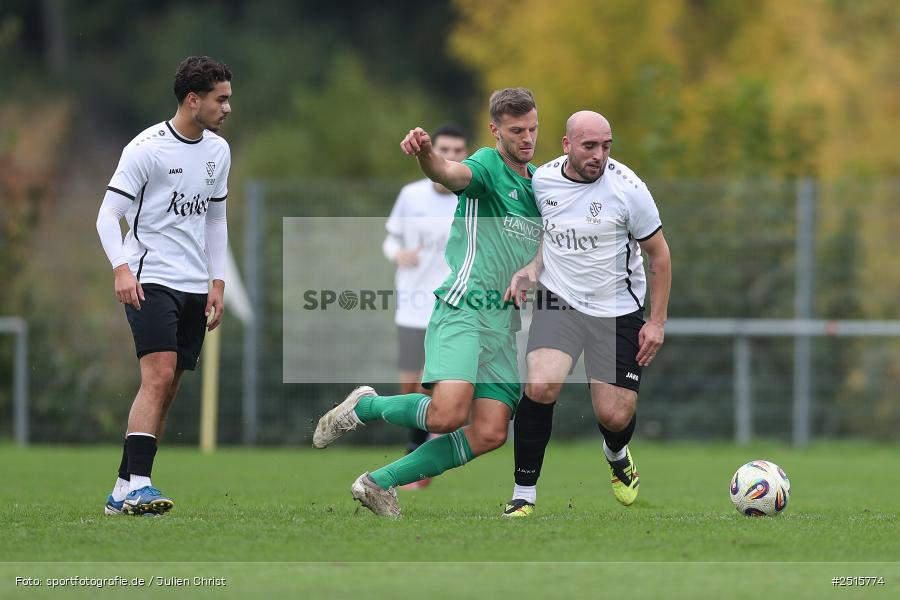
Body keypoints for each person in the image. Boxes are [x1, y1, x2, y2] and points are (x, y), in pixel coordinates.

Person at [313, 88, 542, 517]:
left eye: (532, 129)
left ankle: (377, 482)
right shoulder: (488, 166)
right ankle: (365, 406)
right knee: (446, 416)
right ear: (495, 130)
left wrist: (534, 266)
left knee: (491, 432)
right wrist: (425, 156)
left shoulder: (541, 184)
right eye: (516, 130)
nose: (527, 138)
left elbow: (550, 243)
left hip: (505, 322)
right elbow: (448, 173)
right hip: (465, 308)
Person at [500, 111, 671, 517]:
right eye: (590, 146)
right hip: (560, 300)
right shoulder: (542, 180)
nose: (599, 155)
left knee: (614, 414)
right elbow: (546, 234)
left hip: (617, 309)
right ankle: (523, 494)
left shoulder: (629, 189)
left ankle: (616, 453)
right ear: (567, 145)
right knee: (540, 385)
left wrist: (656, 322)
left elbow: (659, 255)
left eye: (606, 146)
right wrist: (532, 267)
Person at [95, 56, 233, 516]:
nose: (228, 108)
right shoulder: (146, 149)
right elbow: (107, 216)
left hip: (195, 285)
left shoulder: (218, 151)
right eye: (220, 99)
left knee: (169, 387)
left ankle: (122, 488)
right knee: (156, 377)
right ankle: (140, 485)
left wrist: (217, 281)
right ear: (193, 100)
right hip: (150, 279)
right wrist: (121, 268)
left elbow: (216, 220)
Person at [382, 124, 469, 490]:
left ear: (465, 155)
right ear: (433, 150)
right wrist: (398, 253)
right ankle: (420, 448)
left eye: (458, 151)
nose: (450, 156)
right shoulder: (411, 195)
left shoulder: (469, 197)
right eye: (444, 149)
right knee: (409, 387)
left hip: (450, 307)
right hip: (412, 306)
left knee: (433, 387)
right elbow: (390, 240)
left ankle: (419, 458)